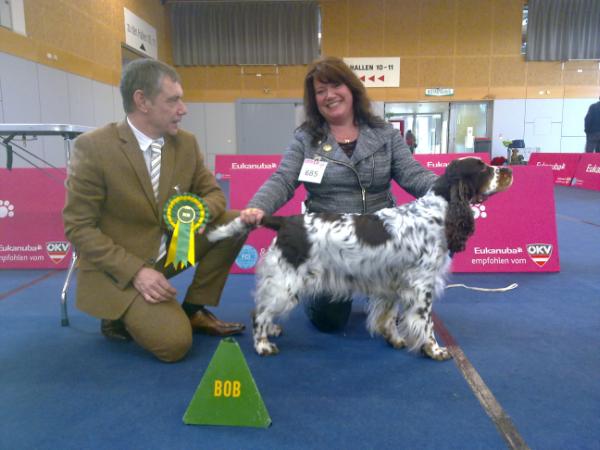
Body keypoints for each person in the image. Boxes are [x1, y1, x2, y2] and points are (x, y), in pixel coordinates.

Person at [63, 59, 245, 363]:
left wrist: (198, 212)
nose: (183, 108)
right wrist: (136, 272)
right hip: (120, 268)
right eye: (173, 100)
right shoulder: (93, 148)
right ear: (142, 101)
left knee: (236, 222)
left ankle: (193, 309)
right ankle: (118, 313)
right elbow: (78, 227)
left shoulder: (186, 143)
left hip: (170, 251)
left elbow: (213, 194)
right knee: (174, 346)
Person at [239, 56, 438, 332]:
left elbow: (412, 174)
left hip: (381, 238)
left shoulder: (385, 134)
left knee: (400, 294)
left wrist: (447, 188)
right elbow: (283, 179)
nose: (329, 96)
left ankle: (382, 304)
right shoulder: (305, 138)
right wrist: (259, 207)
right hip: (329, 241)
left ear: (351, 89)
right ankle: (316, 294)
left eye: (335, 86)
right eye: (320, 92)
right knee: (329, 322)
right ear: (314, 101)